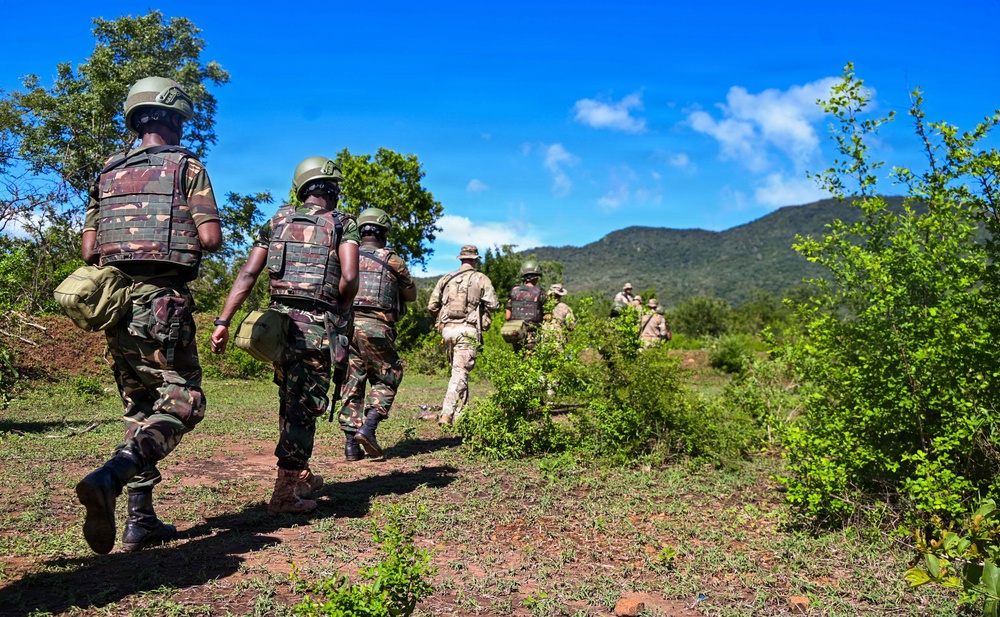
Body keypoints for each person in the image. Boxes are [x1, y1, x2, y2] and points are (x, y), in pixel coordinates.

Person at [75, 76, 223, 554]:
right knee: (186, 399)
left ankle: (141, 521)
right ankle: (112, 476)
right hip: (163, 302)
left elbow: (89, 248)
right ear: (174, 117)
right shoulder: (187, 167)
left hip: (115, 304)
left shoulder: (108, 170)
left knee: (138, 405)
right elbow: (210, 238)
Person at [210, 156, 359, 514]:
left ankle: (300, 474)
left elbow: (248, 274)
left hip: (277, 326)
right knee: (303, 408)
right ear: (332, 188)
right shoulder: (343, 224)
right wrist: (339, 309)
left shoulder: (276, 221)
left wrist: (224, 321)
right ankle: (283, 495)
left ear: (302, 187)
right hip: (316, 328)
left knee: (289, 399)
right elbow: (351, 277)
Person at [337, 207, 416, 461]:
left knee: (352, 382)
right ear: (383, 234)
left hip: (346, 328)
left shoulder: (345, 256)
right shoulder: (392, 260)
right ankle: (368, 428)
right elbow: (411, 295)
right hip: (377, 327)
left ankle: (351, 447)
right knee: (388, 376)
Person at [426, 245, 499, 425]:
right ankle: (447, 413)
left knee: (458, 372)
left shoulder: (446, 279)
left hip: (448, 330)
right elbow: (494, 304)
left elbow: (431, 306)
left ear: (461, 259)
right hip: (468, 329)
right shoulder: (480, 278)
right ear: (475, 259)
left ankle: (461, 415)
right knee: (460, 372)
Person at [505, 261, 548, 353]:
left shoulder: (513, 292)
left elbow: (508, 317)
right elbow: (548, 317)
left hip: (517, 333)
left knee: (518, 360)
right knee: (532, 362)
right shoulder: (542, 293)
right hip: (533, 335)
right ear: (536, 276)